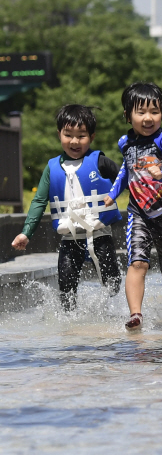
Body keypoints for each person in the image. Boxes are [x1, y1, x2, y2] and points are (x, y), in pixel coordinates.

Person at [11, 105, 122, 310]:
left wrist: (118, 195)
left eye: (81, 136)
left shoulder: (100, 162)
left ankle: (110, 316)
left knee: (112, 284)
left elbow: (125, 178)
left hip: (100, 233)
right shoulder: (52, 167)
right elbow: (38, 201)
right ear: (59, 134)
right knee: (66, 289)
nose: (74, 141)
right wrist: (26, 233)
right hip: (69, 237)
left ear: (92, 136)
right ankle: (72, 330)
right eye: (68, 135)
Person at [103, 83, 162, 330]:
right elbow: (124, 172)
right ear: (128, 115)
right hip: (137, 213)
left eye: (155, 111)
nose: (148, 118)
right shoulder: (125, 142)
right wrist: (113, 193)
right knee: (137, 262)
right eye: (141, 112)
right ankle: (135, 315)